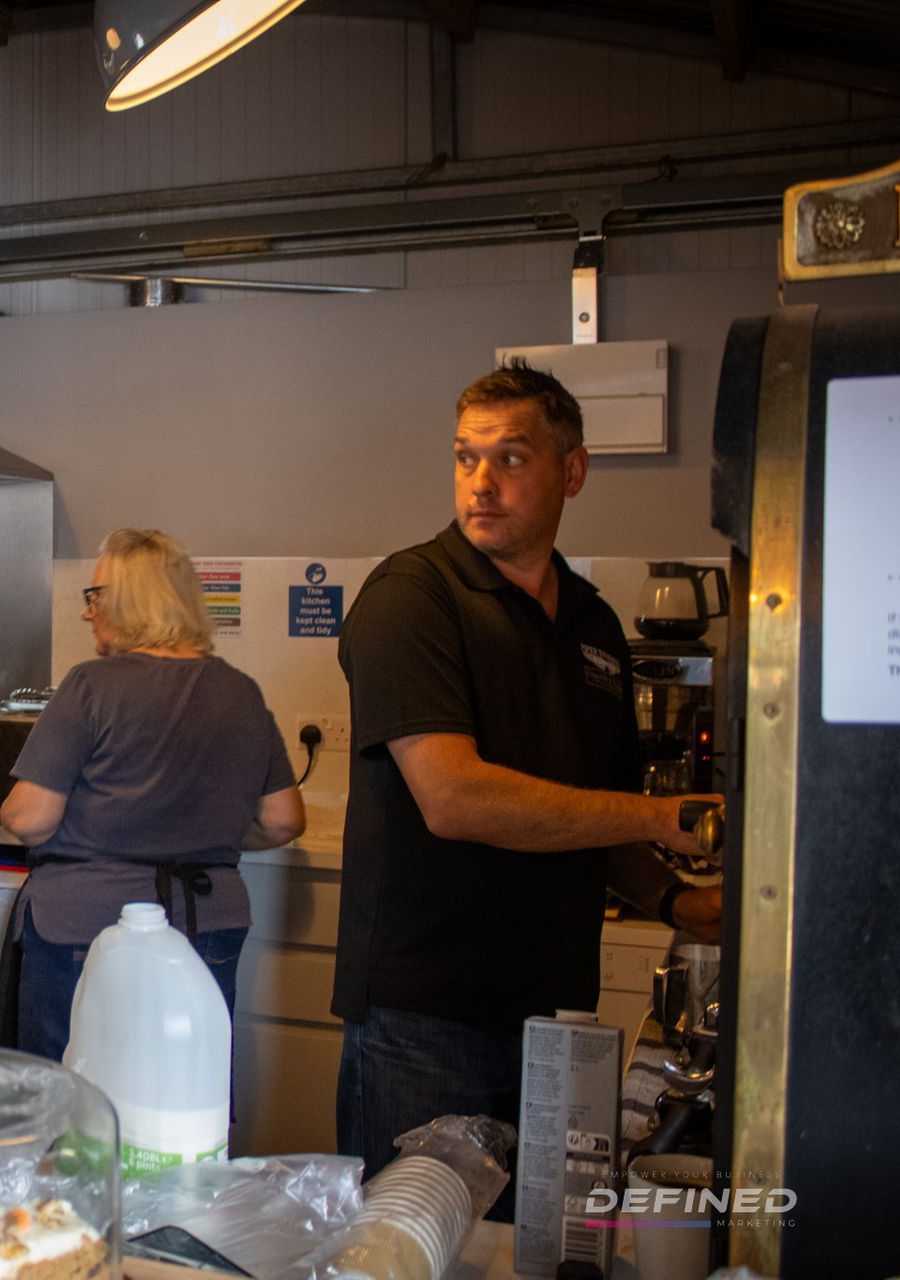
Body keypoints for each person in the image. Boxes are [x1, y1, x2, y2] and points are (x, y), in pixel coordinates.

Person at [331, 362, 723, 1209]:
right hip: (426, 1024)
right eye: (467, 458)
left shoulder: (592, 624)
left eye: (510, 458)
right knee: (410, 1255)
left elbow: (599, 819)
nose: (482, 482)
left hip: (555, 1028)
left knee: (531, 1256)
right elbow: (454, 796)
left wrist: (681, 905)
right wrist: (664, 813)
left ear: (571, 472)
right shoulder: (412, 596)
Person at [0, 528, 306, 1062]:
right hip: (205, 926)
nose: (86, 613)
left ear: (128, 599)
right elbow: (282, 820)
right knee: (184, 1097)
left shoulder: (90, 686)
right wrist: (199, 832)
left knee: (75, 1110)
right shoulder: (241, 690)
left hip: (85, 926)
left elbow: (29, 819)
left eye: (94, 597)